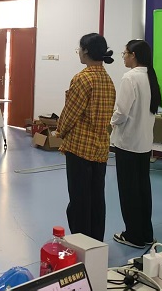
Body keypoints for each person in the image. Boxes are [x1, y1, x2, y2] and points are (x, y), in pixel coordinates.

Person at [56, 33, 115, 242]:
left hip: (80, 148)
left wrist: (59, 132)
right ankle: (96, 242)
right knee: (97, 198)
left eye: (79, 49)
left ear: (86, 51)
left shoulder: (83, 78)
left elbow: (70, 113)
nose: (78, 53)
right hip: (100, 148)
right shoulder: (107, 80)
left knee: (79, 199)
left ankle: (81, 243)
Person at [111, 40, 162, 249]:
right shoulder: (150, 76)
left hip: (128, 143)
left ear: (133, 55)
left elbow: (122, 112)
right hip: (144, 144)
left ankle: (133, 235)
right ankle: (146, 233)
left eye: (124, 53)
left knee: (128, 191)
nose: (123, 57)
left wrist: (111, 122)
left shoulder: (130, 77)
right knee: (142, 190)